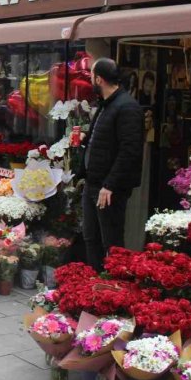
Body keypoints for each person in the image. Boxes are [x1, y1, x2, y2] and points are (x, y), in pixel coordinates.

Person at [81, 59, 144, 269]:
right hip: (94, 183)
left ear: (99, 79)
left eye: (91, 76)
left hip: (108, 188)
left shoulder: (127, 107)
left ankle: (115, 289)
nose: (90, 79)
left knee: (112, 241)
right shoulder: (107, 103)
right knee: (91, 237)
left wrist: (109, 184)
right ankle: (93, 284)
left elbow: (130, 151)